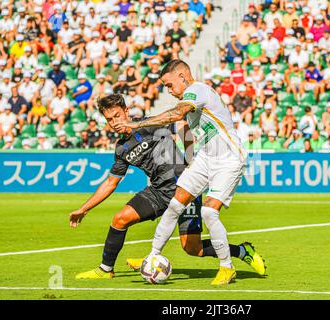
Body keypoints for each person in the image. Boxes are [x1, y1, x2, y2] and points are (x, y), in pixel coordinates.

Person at [71, 93, 264, 280]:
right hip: (158, 191)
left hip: (185, 189)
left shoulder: (150, 124)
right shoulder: (121, 148)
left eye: (117, 116)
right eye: (110, 120)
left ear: (126, 111)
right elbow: (111, 183)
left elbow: (184, 128)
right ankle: (106, 269)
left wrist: (190, 162)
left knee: (192, 248)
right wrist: (84, 209)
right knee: (120, 219)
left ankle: (242, 251)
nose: (115, 123)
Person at [111, 60, 266, 285]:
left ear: (183, 76)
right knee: (175, 205)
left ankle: (227, 267)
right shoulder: (192, 99)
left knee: (209, 212)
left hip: (228, 157)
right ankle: (153, 255)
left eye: (169, 85)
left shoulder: (197, 90)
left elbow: (175, 114)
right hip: (206, 158)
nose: (169, 90)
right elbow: (188, 130)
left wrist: (135, 125)